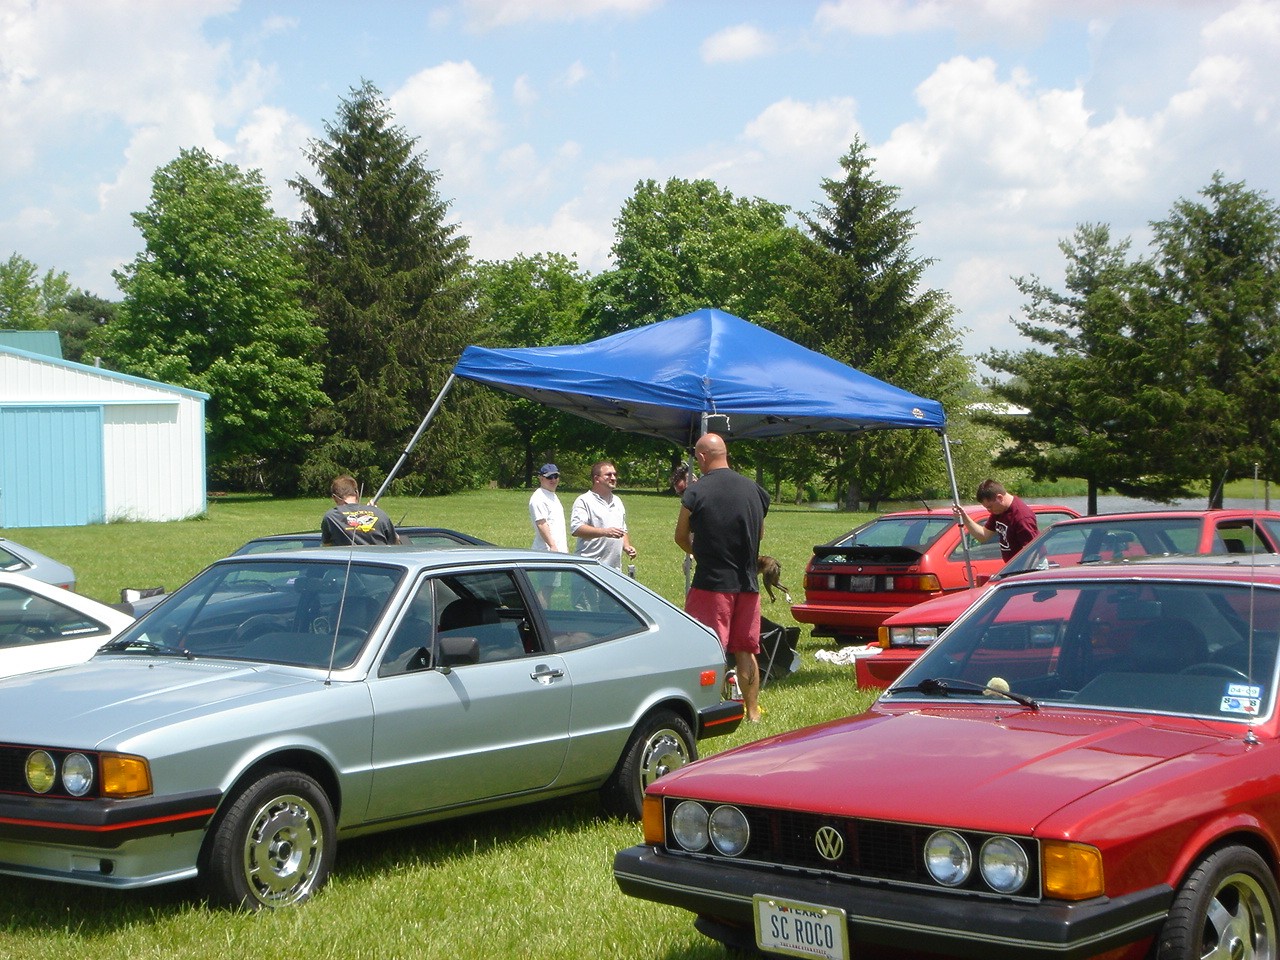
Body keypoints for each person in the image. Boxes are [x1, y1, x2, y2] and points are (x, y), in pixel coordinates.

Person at [675, 433, 771, 723]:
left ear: (703, 457)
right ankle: (752, 712)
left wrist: (700, 553)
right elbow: (759, 534)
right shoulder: (755, 490)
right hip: (748, 584)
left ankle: (710, 708)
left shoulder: (695, 492)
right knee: (746, 650)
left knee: (709, 649)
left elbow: (680, 536)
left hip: (711, 584)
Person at [570, 460, 636, 570]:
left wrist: (627, 546)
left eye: (614, 474)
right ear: (597, 479)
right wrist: (605, 532)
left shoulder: (617, 501)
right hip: (589, 566)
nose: (613, 478)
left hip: (614, 568)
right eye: (608, 475)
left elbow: (622, 529)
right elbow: (577, 529)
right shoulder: (584, 500)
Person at [954, 478, 1038, 563]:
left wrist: (1019, 570)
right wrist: (963, 516)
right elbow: (983, 536)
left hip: (1031, 564)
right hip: (1013, 565)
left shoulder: (1022, 517)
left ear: (999, 498)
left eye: (990, 507)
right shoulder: (999, 511)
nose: (989, 511)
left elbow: (1033, 552)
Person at [321, 474, 401, 546]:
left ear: (335, 498)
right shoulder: (380, 514)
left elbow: (326, 548)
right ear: (357, 493)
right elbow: (395, 542)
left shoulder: (331, 517)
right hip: (378, 557)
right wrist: (374, 511)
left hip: (348, 558)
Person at [529, 463, 567, 553]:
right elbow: (541, 524)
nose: (553, 480)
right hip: (546, 551)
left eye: (555, 476)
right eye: (549, 477)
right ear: (541, 478)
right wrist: (552, 546)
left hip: (559, 550)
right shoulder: (539, 498)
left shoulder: (552, 495)